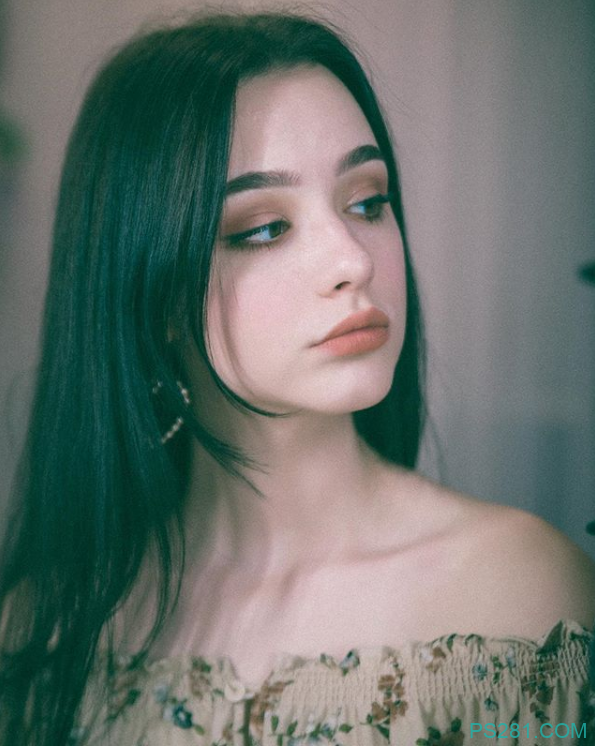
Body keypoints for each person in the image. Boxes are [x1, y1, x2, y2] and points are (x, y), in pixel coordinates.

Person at [1, 9, 594, 746]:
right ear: (149, 291)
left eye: (367, 202)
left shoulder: (518, 599)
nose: (354, 260)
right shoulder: (48, 630)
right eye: (263, 229)